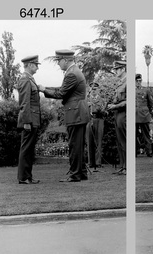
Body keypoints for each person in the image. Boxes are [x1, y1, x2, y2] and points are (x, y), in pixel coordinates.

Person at [38, 50, 90, 182]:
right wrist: (45, 88)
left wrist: (44, 90)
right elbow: (62, 88)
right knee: (78, 144)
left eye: (59, 61)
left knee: (74, 145)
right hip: (78, 113)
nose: (58, 64)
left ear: (65, 60)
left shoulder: (71, 74)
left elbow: (61, 93)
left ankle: (76, 174)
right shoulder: (74, 72)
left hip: (75, 113)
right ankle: (81, 172)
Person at [17, 55, 42, 184]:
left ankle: (27, 176)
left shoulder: (30, 79)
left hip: (33, 119)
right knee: (26, 148)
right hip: (30, 120)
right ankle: (23, 177)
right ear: (30, 65)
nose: (37, 68)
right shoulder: (25, 80)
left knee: (29, 149)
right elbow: (24, 103)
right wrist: (26, 121)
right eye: (36, 65)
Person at [108, 60, 126, 175]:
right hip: (118, 114)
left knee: (124, 141)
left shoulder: (128, 82)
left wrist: (115, 105)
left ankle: (126, 167)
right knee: (120, 142)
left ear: (123, 69)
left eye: (117, 69)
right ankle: (122, 166)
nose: (115, 71)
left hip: (124, 114)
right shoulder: (120, 82)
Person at [86, 82, 107, 170]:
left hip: (99, 119)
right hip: (89, 120)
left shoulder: (102, 100)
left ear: (98, 90)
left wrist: (102, 111)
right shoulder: (86, 99)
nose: (93, 91)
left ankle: (98, 162)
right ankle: (91, 162)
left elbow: (105, 111)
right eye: (92, 89)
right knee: (89, 141)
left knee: (99, 141)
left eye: (95, 89)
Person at [135, 73, 153, 157]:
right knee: (134, 135)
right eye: (137, 81)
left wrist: (149, 112)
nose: (139, 82)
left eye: (140, 81)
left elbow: (150, 103)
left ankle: (149, 152)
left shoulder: (146, 90)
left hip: (144, 115)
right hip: (134, 115)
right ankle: (134, 152)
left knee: (146, 134)